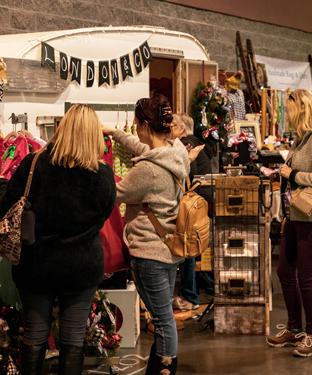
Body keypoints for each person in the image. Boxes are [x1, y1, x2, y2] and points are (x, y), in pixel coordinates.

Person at [0, 104, 116, 374]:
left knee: (35, 334)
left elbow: (7, 205)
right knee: (73, 338)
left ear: (62, 129)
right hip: (81, 266)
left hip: (36, 265)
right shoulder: (102, 176)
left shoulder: (34, 165)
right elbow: (103, 215)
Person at [104, 97, 192, 374]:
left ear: (142, 124)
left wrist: (93, 169)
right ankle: (158, 366)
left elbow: (112, 195)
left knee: (163, 319)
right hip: (169, 248)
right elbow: (146, 149)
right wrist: (116, 134)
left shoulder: (146, 171)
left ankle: (165, 369)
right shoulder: (176, 153)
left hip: (148, 252)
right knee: (163, 312)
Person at [266, 89, 312, 357]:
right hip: (296, 214)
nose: (286, 112)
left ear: (302, 108)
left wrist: (293, 172)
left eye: (290, 107)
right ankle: (295, 329)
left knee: (306, 276)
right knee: (285, 271)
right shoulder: (302, 138)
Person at [170, 113, 213, 311]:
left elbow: (189, 172)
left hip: (193, 203)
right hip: (201, 202)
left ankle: (190, 296)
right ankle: (192, 293)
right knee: (189, 247)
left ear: (181, 128)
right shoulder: (196, 143)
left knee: (186, 247)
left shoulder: (186, 144)